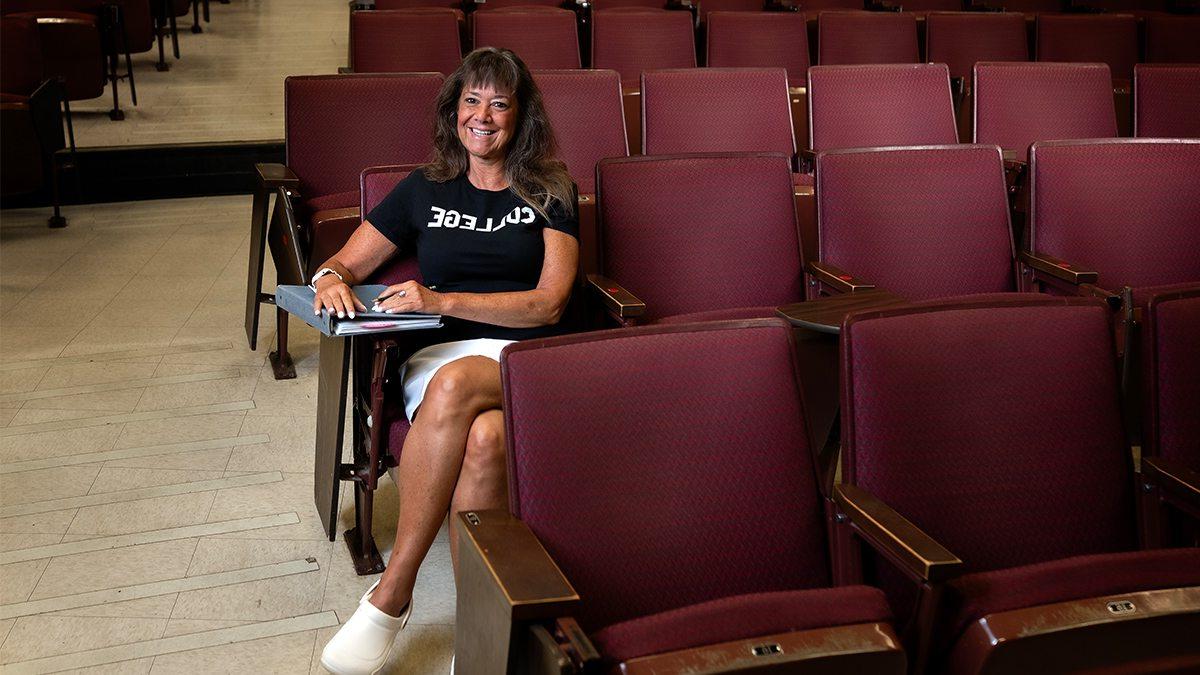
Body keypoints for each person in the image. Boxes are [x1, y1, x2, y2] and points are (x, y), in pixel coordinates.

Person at [316, 47, 578, 675]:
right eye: (470, 100)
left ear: (521, 117)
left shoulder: (550, 190)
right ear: (453, 110)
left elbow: (548, 306)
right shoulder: (424, 190)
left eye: (498, 102)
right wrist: (330, 277)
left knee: (463, 387)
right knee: (485, 441)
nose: (482, 116)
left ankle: (392, 593)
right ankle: (478, 637)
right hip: (437, 361)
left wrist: (443, 298)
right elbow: (345, 261)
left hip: (523, 359)